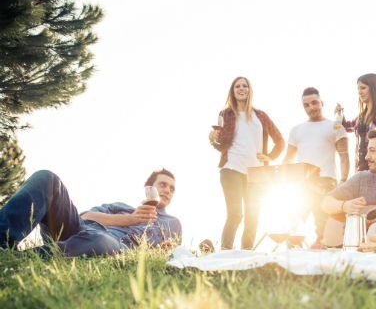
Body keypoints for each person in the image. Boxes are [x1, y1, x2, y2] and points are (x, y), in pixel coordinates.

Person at [0, 169, 181, 257]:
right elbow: (85, 217)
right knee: (47, 178)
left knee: (102, 241)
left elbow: (172, 250)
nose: (167, 190)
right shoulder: (120, 206)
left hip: (113, 245)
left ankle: (17, 259)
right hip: (79, 228)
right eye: (163, 185)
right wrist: (130, 218)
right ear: (149, 188)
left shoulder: (172, 222)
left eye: (172, 189)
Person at [209, 76, 285, 250]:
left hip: (257, 174)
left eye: (245, 86)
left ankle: (246, 257)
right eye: (237, 86)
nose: (241, 88)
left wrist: (271, 156)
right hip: (231, 169)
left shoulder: (261, 116)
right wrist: (212, 140)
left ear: (250, 90)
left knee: (253, 217)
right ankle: (225, 254)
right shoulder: (226, 114)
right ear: (233, 91)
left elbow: (280, 141)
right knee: (235, 215)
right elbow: (220, 145)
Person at [283, 87, 350, 247]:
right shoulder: (296, 130)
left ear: (322, 103)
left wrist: (343, 181)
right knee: (294, 224)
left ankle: (326, 260)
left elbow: (344, 156)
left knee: (324, 225)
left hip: (326, 181)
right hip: (301, 183)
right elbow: (288, 159)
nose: (311, 107)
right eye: (306, 105)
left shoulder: (335, 127)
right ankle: (293, 261)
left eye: (314, 103)